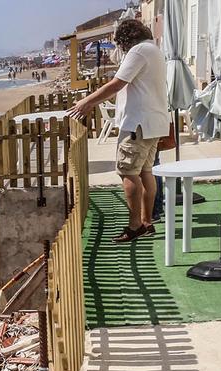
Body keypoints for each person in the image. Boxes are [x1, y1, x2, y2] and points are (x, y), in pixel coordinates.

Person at [69, 18, 168, 242]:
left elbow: (116, 83)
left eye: (120, 43)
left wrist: (87, 102)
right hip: (154, 122)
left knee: (128, 172)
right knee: (145, 171)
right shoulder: (154, 50)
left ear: (125, 40)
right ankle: (146, 222)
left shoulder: (138, 52)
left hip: (137, 123)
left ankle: (134, 226)